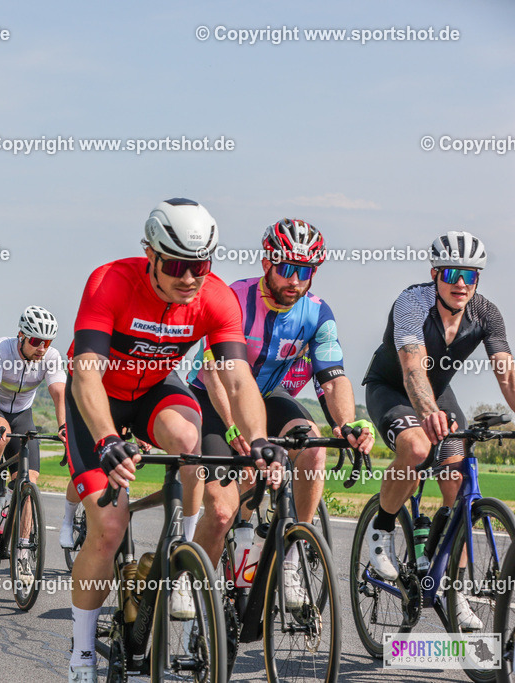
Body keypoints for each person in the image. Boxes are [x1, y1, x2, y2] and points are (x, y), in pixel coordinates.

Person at [63, 198, 285, 681]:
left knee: (190, 439)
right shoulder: (110, 282)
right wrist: (105, 438)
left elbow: (240, 379)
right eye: (178, 266)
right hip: (99, 398)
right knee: (110, 527)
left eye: (200, 266)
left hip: (155, 391)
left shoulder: (216, 298)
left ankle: (180, 556)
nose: (190, 278)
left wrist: (260, 437)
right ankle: (81, 651)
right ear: (151, 254)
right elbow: (85, 376)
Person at [186, 218, 375, 605]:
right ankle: (192, 580)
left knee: (312, 446)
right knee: (223, 512)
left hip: (269, 398)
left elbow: (334, 377)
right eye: (287, 268)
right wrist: (236, 429)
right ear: (266, 263)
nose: (294, 280)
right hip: (213, 397)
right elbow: (217, 373)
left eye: (304, 272)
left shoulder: (318, 313)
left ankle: (293, 555)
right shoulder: (233, 299)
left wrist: (347, 422)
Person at [362, 231, 515, 629]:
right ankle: (381, 529)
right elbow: (413, 369)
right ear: (435, 273)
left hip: (439, 392)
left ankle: (453, 586)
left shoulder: (487, 313)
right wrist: (427, 413)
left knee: (460, 482)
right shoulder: (412, 302)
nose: (461, 283)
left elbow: (507, 373)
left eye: (470, 275)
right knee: (414, 448)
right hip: (392, 388)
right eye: (451, 273)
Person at [0, 306, 66, 580]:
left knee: (29, 481)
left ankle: (22, 554)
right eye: (36, 341)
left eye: (47, 342)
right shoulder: (0, 349)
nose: (42, 348)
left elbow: (59, 393)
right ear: (21, 336)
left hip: (23, 413)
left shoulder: (51, 357)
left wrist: (63, 427)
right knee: (0, 433)